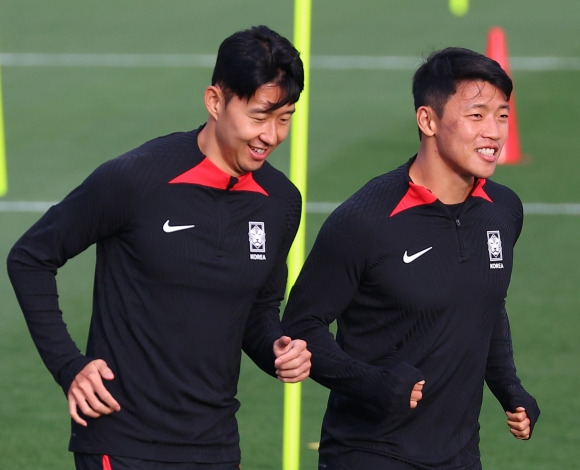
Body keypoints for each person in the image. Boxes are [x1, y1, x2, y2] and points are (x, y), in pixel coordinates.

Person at [7, 25, 311, 470]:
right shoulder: (136, 179)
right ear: (215, 101)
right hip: (124, 442)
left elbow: (258, 313)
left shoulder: (282, 203)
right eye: (260, 116)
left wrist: (279, 350)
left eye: (285, 118)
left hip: (216, 446)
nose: (272, 135)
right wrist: (69, 366)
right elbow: (31, 256)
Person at [281, 47, 540, 469]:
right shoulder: (365, 220)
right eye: (477, 116)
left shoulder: (503, 210)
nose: (494, 131)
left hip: (460, 455)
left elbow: (485, 303)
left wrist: (510, 388)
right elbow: (300, 325)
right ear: (428, 120)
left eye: (502, 115)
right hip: (368, 454)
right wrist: (372, 382)